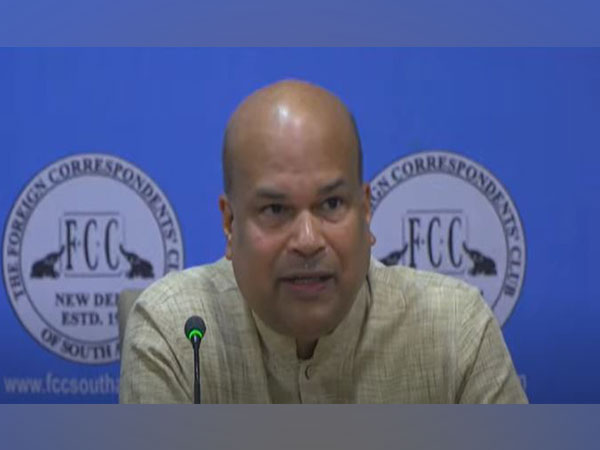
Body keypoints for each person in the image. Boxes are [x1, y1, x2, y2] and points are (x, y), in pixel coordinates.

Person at [119, 79, 527, 403]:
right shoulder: (177, 333)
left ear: (365, 211)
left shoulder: (454, 328)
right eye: (275, 210)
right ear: (230, 223)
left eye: (331, 204)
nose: (308, 241)